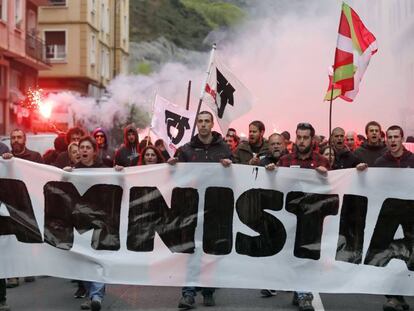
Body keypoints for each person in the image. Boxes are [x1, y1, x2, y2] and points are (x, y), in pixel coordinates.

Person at [168, 111, 232, 309]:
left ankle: (208, 290)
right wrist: (174, 166)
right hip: (192, 208)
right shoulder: (186, 150)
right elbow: (178, 179)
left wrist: (230, 166)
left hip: (216, 208)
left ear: (212, 124)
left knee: (212, 250)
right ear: (196, 124)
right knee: (191, 251)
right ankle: (188, 294)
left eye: (207, 121)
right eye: (200, 121)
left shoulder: (224, 148)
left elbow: (236, 176)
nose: (203, 124)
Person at [63, 136, 122, 311]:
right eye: (82, 147)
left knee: (97, 258)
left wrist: (119, 172)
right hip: (80, 222)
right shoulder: (73, 171)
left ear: (94, 151)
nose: (84, 150)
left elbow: (118, 187)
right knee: (83, 260)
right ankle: (91, 294)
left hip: (101, 221)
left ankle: (96, 295)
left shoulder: (105, 170)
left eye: (88, 147)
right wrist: (64, 175)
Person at [277, 123, 330, 311]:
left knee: (306, 254)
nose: (301, 141)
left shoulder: (322, 161)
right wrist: (271, 172)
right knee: (291, 255)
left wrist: (326, 176)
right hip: (289, 215)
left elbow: (331, 188)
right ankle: (298, 289)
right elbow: (275, 185)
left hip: (312, 216)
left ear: (312, 139)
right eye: (299, 137)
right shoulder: (284, 160)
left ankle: (303, 292)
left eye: (305, 137)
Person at [369, 125, 413, 311]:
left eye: (396, 137)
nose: (393, 140)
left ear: (401, 139)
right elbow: (372, 186)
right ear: (385, 139)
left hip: (411, 214)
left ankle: (402, 294)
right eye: (390, 137)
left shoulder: (413, 160)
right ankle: (394, 297)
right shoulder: (380, 162)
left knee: (410, 253)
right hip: (389, 215)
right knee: (385, 253)